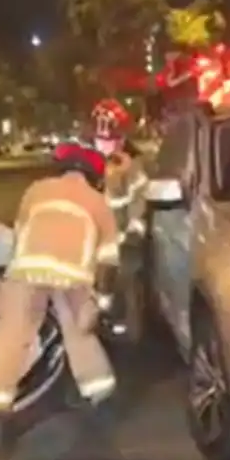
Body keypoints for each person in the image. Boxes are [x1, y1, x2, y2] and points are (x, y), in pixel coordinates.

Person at [0, 141, 120, 450]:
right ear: (94, 176)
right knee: (80, 335)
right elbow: (108, 260)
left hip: (27, 272)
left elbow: (20, 235)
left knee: (8, 339)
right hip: (74, 278)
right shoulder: (98, 202)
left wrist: (7, 283)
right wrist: (100, 304)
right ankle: (100, 398)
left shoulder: (36, 190)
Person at [89, 98, 148, 340]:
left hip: (121, 239)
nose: (104, 144)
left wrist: (135, 228)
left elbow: (139, 200)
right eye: (100, 138)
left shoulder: (131, 167)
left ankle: (121, 323)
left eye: (109, 138)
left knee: (124, 280)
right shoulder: (87, 164)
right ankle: (96, 320)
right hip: (91, 239)